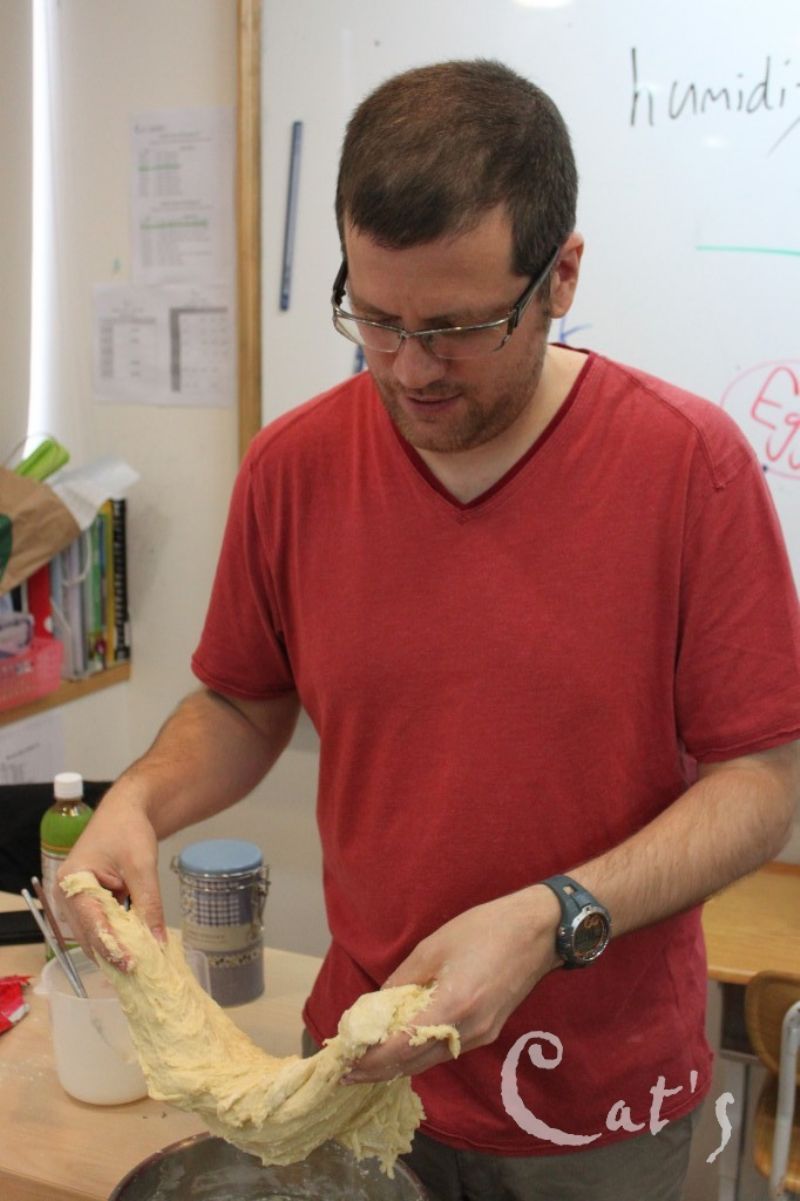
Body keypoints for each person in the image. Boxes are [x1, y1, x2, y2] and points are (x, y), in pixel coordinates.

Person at [62, 60, 800, 1201]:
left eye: (455, 328)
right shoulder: (295, 466)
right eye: (375, 317)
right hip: (354, 1074)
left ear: (559, 277)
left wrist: (554, 916)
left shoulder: (686, 467)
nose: (408, 369)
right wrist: (139, 801)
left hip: (596, 1111)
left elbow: (761, 780)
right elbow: (244, 701)